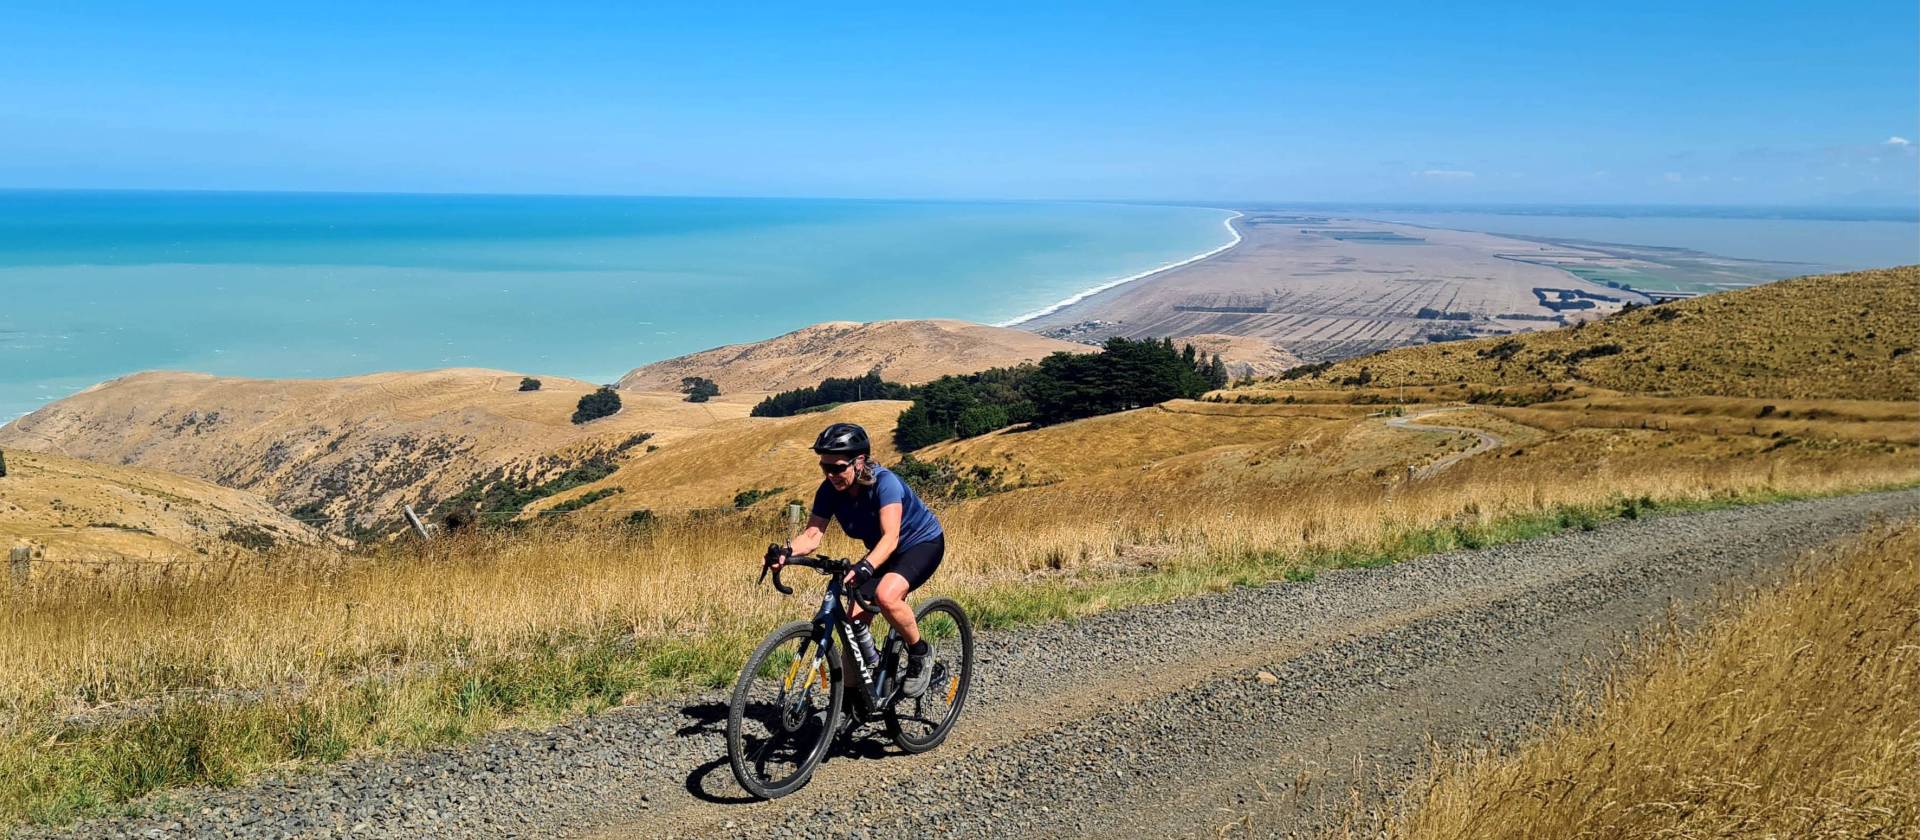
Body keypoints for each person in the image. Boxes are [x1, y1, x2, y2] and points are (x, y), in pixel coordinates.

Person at [766, 422, 945, 697]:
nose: (831, 475)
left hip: (920, 544)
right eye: (825, 467)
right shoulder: (829, 491)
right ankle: (852, 702)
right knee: (852, 625)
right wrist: (786, 552)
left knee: (886, 596)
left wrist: (866, 566)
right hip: (881, 551)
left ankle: (920, 653)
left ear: (859, 461)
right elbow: (813, 535)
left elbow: (891, 538)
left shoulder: (885, 484)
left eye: (838, 468)